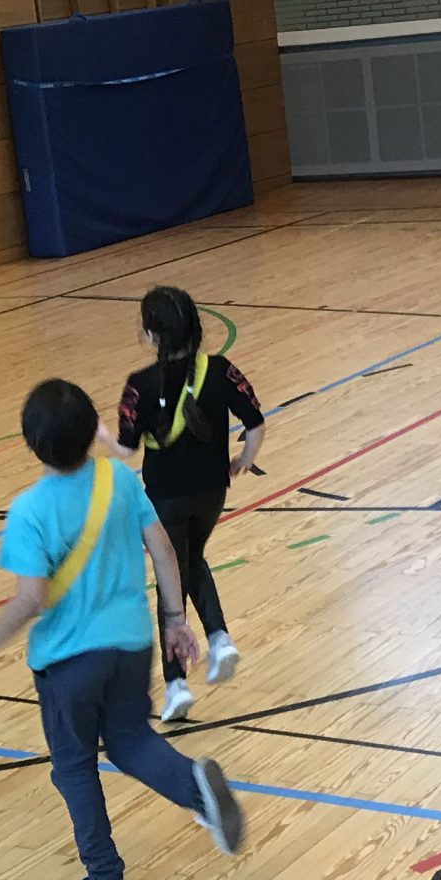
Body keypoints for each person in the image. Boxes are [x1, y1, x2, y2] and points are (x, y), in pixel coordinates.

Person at [0, 378, 247, 880]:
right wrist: (175, 620)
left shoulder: (28, 511)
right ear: (92, 429)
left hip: (68, 663)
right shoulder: (118, 479)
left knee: (74, 766)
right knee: (131, 740)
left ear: (30, 443)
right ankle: (195, 787)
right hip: (132, 644)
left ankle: (104, 878)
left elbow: (31, 598)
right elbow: (164, 551)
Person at [111, 285, 265, 723]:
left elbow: (126, 449)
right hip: (212, 491)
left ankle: (176, 684)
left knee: (170, 579)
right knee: (190, 560)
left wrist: (101, 435)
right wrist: (244, 460)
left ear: (151, 335)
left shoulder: (140, 385)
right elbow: (255, 422)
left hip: (164, 497)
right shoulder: (221, 369)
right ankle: (219, 639)